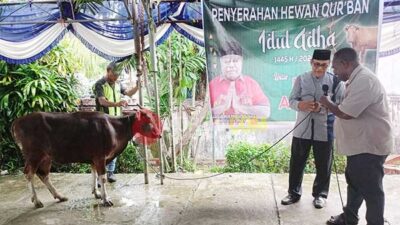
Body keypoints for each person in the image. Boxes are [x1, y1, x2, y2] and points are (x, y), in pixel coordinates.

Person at [320, 47, 393, 225]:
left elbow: (346, 113)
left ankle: (375, 222)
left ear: (346, 64)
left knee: (372, 191)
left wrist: (327, 103)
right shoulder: (356, 79)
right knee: (355, 183)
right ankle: (349, 217)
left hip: (369, 147)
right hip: (359, 145)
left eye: (335, 67)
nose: (334, 72)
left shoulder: (364, 81)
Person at [281, 49, 344, 209]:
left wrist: (325, 106)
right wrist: (301, 105)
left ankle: (320, 195)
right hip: (302, 129)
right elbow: (291, 100)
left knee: (324, 164)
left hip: (325, 130)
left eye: (324, 65)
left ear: (329, 65)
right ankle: (293, 193)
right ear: (311, 62)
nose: (320, 68)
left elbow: (341, 105)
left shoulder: (336, 81)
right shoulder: (301, 79)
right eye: (316, 64)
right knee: (297, 162)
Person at [93, 61, 140, 183]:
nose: (116, 77)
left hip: (116, 121)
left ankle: (110, 173)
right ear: (108, 71)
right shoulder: (100, 84)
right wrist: (117, 103)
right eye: (114, 75)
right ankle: (99, 176)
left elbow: (129, 93)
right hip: (102, 123)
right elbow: (102, 101)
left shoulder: (118, 84)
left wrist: (137, 86)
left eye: (118, 75)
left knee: (115, 147)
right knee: (101, 150)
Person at [209, 40, 270, 118]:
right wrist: (223, 107)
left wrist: (240, 107)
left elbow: (266, 112)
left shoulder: (251, 83)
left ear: (241, 62)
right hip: (220, 129)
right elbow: (204, 114)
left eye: (235, 61)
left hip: (248, 129)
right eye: (227, 61)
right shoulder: (212, 85)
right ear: (221, 62)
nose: (231, 65)